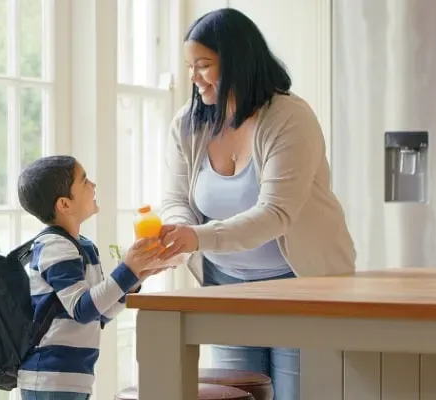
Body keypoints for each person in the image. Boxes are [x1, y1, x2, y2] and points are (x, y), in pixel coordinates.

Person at [158, 8, 356, 399]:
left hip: (299, 285)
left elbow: (276, 214)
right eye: (189, 66)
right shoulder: (188, 123)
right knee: (237, 396)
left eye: (203, 65)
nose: (193, 77)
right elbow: (176, 198)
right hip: (226, 288)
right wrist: (178, 231)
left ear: (236, 62)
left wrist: (195, 237)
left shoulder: (289, 118)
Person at [16, 155, 168, 400]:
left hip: (74, 377)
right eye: (85, 181)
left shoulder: (83, 247)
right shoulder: (55, 246)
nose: (93, 185)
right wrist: (126, 270)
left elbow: (99, 314)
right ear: (64, 204)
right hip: (50, 378)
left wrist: (137, 276)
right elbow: (82, 309)